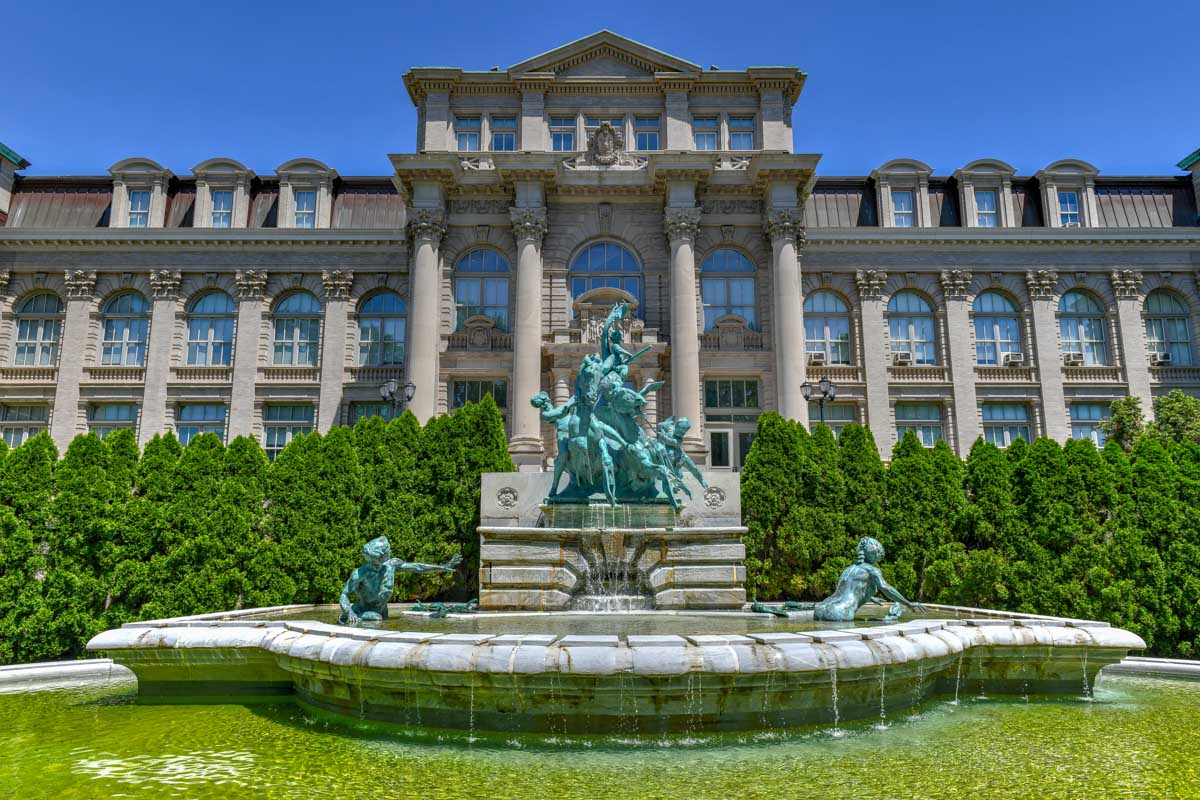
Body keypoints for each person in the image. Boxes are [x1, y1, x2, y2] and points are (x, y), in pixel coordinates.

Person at [338, 536, 462, 625]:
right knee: (376, 619)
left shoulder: (390, 565)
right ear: (377, 557)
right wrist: (349, 612)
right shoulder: (360, 573)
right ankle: (351, 617)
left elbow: (418, 567)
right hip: (363, 610)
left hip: (381, 609)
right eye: (387, 551)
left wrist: (444, 566)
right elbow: (344, 594)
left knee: (382, 622)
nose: (390, 552)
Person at [813, 537, 926, 622]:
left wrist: (870, 597)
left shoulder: (848, 569)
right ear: (876, 555)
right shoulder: (872, 570)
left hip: (821, 609)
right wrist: (908, 603)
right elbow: (886, 588)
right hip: (840, 612)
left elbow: (847, 591)